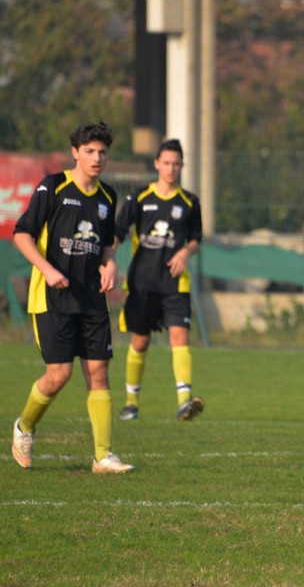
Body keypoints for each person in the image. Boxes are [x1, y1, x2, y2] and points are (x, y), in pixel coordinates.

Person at [11, 121, 134, 473]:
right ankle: (25, 427)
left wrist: (110, 266)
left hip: (92, 298)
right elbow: (23, 235)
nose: (98, 158)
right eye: (91, 151)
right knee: (59, 375)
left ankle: (102, 456)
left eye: (103, 152)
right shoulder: (53, 187)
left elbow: (107, 244)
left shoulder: (108, 196)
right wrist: (47, 270)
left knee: (98, 372)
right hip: (52, 297)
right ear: (75, 153)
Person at [113, 139, 204, 421]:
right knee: (140, 341)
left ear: (182, 166)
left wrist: (185, 253)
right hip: (142, 282)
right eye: (166, 163)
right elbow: (118, 230)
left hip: (176, 284)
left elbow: (196, 239)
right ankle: (131, 402)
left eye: (176, 163)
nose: (171, 168)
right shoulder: (140, 198)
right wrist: (108, 261)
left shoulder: (189, 202)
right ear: (157, 164)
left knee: (180, 337)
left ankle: (184, 401)